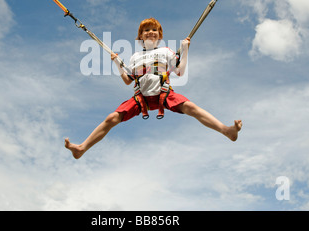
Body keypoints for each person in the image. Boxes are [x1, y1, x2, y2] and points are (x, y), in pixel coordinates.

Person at [65, 18, 242, 159]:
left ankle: (226, 131)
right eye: (146, 30)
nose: (150, 32)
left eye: (154, 30)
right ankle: (81, 148)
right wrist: (117, 64)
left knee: (191, 107)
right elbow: (128, 80)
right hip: (140, 98)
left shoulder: (166, 52)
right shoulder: (135, 57)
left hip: (163, 94)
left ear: (159, 35)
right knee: (111, 118)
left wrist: (185, 50)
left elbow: (179, 72)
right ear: (140, 36)